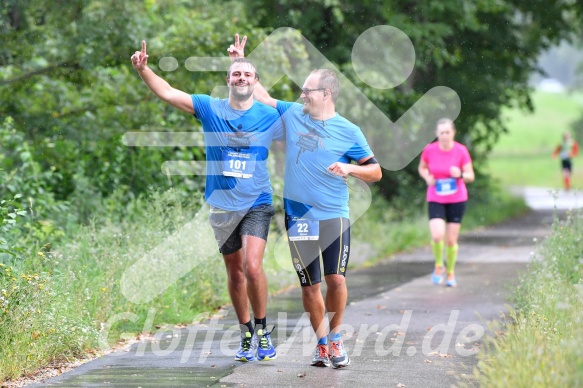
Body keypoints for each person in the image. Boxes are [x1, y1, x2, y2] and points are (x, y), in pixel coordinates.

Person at [228, 34, 382, 369]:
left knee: (336, 280)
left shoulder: (349, 131)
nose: (302, 94)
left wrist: (351, 169)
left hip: (334, 215)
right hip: (299, 216)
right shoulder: (294, 113)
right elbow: (262, 95)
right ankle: (322, 344)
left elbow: (377, 172)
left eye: (307, 90)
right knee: (310, 286)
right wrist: (238, 62)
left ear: (325, 94)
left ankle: (337, 337)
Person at [131, 40, 282, 362]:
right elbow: (169, 92)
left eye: (247, 75)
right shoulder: (210, 108)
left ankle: (264, 331)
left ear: (254, 81)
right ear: (227, 80)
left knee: (253, 268)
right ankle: (245, 334)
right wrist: (144, 70)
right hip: (223, 204)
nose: (241, 78)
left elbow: (282, 107)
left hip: (257, 200)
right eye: (235, 74)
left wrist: (243, 60)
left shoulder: (268, 115)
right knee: (235, 272)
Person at [418, 118, 475, 288]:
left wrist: (459, 175)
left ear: (453, 133)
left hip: (457, 199)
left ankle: (450, 272)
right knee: (436, 235)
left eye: (447, 132)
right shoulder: (430, 150)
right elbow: (422, 167)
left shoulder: (461, 150)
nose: (444, 135)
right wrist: (428, 177)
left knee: (451, 240)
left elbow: (470, 176)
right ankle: (438, 265)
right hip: (436, 197)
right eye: (441, 132)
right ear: (437, 134)